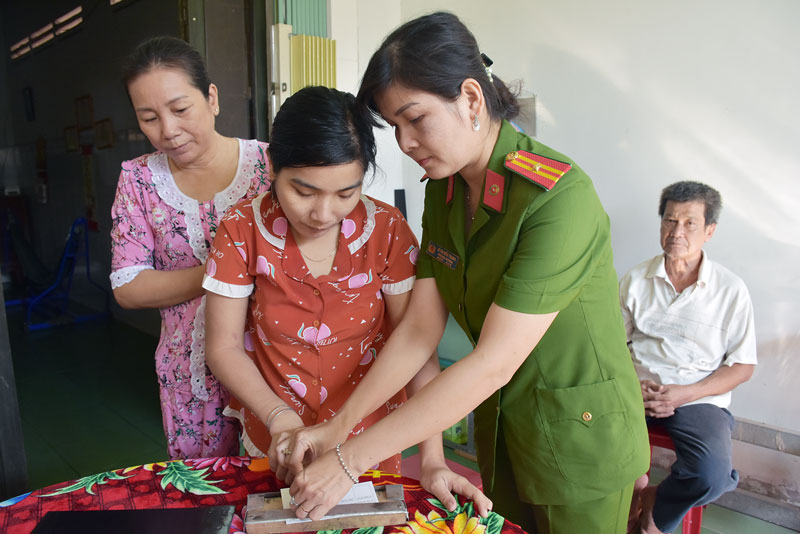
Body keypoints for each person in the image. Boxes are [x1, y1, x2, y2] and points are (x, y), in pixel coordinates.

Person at [281, 12, 650, 534]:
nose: (406, 142)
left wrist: (349, 461)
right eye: (395, 127)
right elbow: (418, 329)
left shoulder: (558, 199)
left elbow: (493, 362)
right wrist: (339, 428)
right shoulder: (446, 191)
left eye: (416, 119)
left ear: (471, 99)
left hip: (583, 441)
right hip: (504, 429)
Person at [201, 85, 487, 509]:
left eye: (345, 193)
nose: (323, 213)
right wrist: (278, 417)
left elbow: (416, 347)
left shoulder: (387, 230)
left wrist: (432, 459)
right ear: (272, 164)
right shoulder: (241, 229)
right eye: (304, 191)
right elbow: (222, 347)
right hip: (274, 440)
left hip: (369, 444)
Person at [110, 36, 271, 459]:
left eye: (181, 110)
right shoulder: (139, 181)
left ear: (211, 98)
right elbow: (128, 287)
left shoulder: (271, 167)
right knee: (204, 500)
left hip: (273, 372)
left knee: (279, 500)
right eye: (149, 118)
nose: (168, 131)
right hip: (189, 381)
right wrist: (226, 272)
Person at [619, 181, 757, 534]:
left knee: (711, 476)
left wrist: (684, 393)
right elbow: (611, 348)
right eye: (669, 221)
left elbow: (742, 365)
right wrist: (633, 386)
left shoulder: (731, 290)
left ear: (709, 231)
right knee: (585, 444)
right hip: (635, 390)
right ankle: (618, 509)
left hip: (698, 398)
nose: (676, 232)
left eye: (689, 223)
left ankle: (655, 510)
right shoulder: (635, 280)